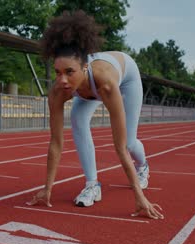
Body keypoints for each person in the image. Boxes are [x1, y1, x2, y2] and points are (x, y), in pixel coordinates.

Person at [27, 10, 164, 219]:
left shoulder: (106, 83)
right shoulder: (58, 90)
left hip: (127, 79)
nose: (62, 80)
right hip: (85, 88)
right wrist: (47, 188)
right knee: (77, 119)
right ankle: (92, 185)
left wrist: (139, 197)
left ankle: (143, 166)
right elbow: (55, 143)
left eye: (69, 72)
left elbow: (119, 148)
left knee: (128, 142)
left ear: (84, 66)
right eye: (58, 72)